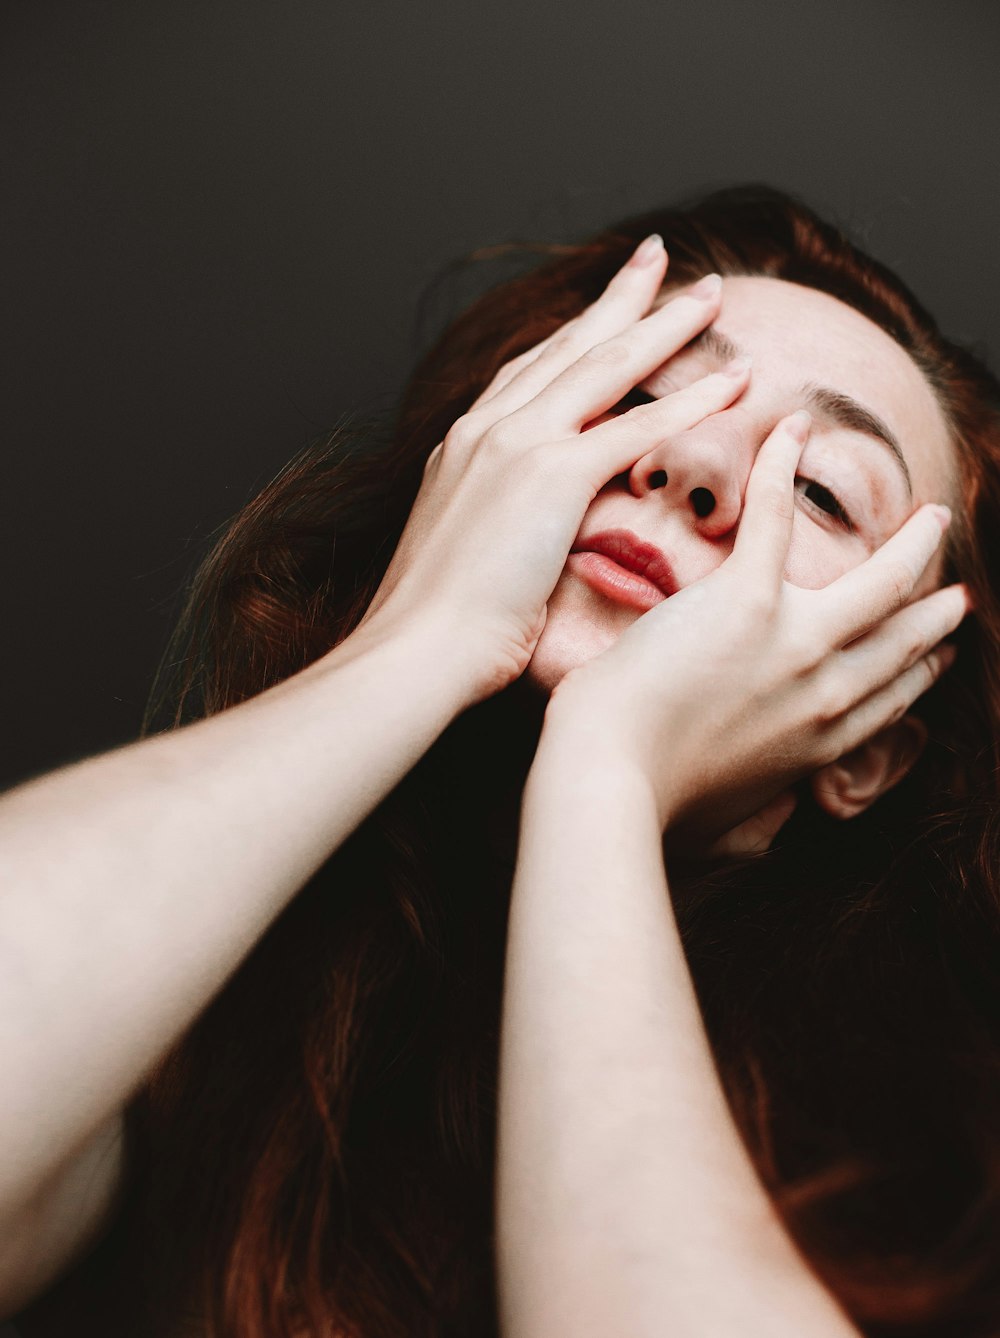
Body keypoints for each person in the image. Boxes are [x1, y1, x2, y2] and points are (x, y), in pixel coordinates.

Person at [2, 183, 998, 1337]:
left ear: (869, 750)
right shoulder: (185, 1036)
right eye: (637, 393)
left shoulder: (956, 1206)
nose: (697, 464)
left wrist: (604, 775)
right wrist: (419, 641)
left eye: (818, 489)